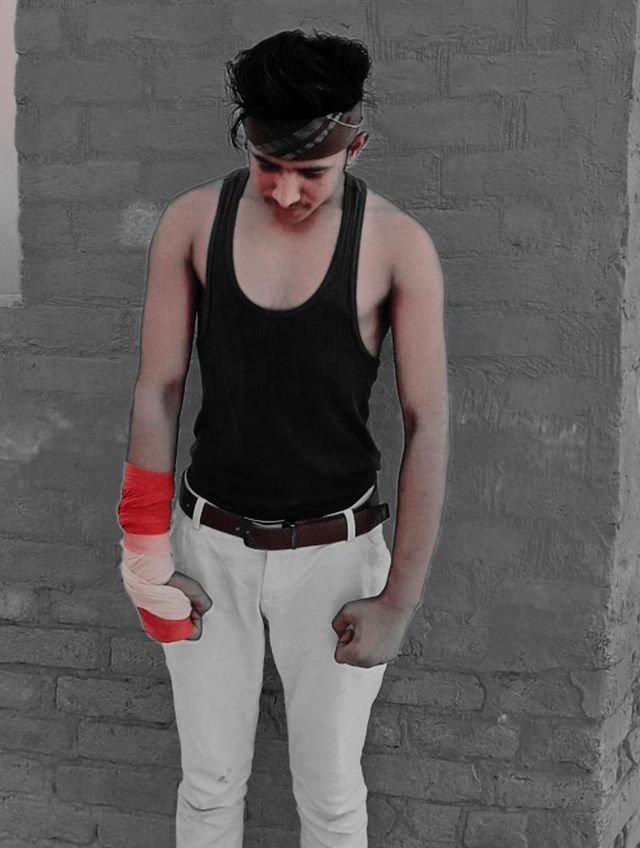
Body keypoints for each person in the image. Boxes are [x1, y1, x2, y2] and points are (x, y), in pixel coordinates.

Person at [116, 28, 449, 848]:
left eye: (313, 173)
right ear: (246, 139)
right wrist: (145, 558)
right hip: (209, 547)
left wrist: (398, 601)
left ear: (355, 147)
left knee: (331, 798)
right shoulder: (193, 222)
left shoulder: (397, 245)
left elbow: (428, 423)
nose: (288, 192)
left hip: (337, 556)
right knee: (208, 786)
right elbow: (158, 389)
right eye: (269, 166)